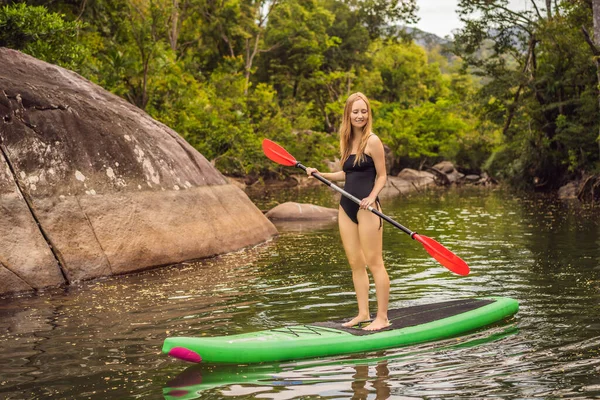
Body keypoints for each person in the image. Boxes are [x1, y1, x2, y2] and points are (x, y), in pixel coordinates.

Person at [306, 92, 390, 331]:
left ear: (368, 114)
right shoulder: (346, 140)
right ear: (348, 114)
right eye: (355, 111)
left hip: (368, 208)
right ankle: (363, 313)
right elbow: (347, 174)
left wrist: (372, 198)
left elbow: (382, 176)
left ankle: (382, 317)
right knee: (356, 263)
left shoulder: (372, 140)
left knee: (375, 262)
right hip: (346, 206)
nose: (360, 115)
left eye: (364, 111)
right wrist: (320, 174)